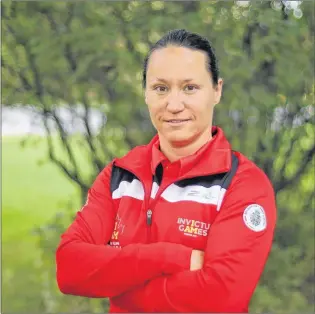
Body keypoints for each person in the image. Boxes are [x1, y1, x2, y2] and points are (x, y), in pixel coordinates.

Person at [56, 29, 277, 313]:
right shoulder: (119, 176)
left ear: (217, 90)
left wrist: (121, 289)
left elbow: (220, 296)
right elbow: (69, 269)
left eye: (190, 88)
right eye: (160, 88)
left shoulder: (243, 185)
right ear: (146, 93)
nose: (174, 105)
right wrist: (168, 257)